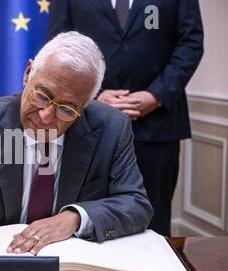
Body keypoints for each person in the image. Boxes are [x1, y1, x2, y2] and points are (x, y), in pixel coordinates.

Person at [0, 31, 153, 264]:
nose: (46, 116)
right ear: (28, 73)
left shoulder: (111, 127)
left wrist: (74, 218)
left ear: (85, 106)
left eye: (67, 109)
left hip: (74, 270)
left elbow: (136, 203)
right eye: (42, 95)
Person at [47, 0, 204, 236]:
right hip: (89, 125)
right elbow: (61, 46)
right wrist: (93, 95)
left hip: (157, 127)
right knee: (87, 219)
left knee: (154, 221)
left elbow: (190, 44)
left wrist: (156, 95)